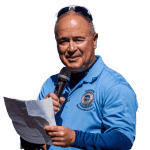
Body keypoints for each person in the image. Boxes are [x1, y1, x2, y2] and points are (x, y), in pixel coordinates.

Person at [20, 5, 139, 150]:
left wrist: (76, 138)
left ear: (94, 40)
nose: (71, 48)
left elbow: (123, 141)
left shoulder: (114, 86)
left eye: (78, 40)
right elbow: (27, 144)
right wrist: (38, 118)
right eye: (63, 41)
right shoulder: (50, 84)